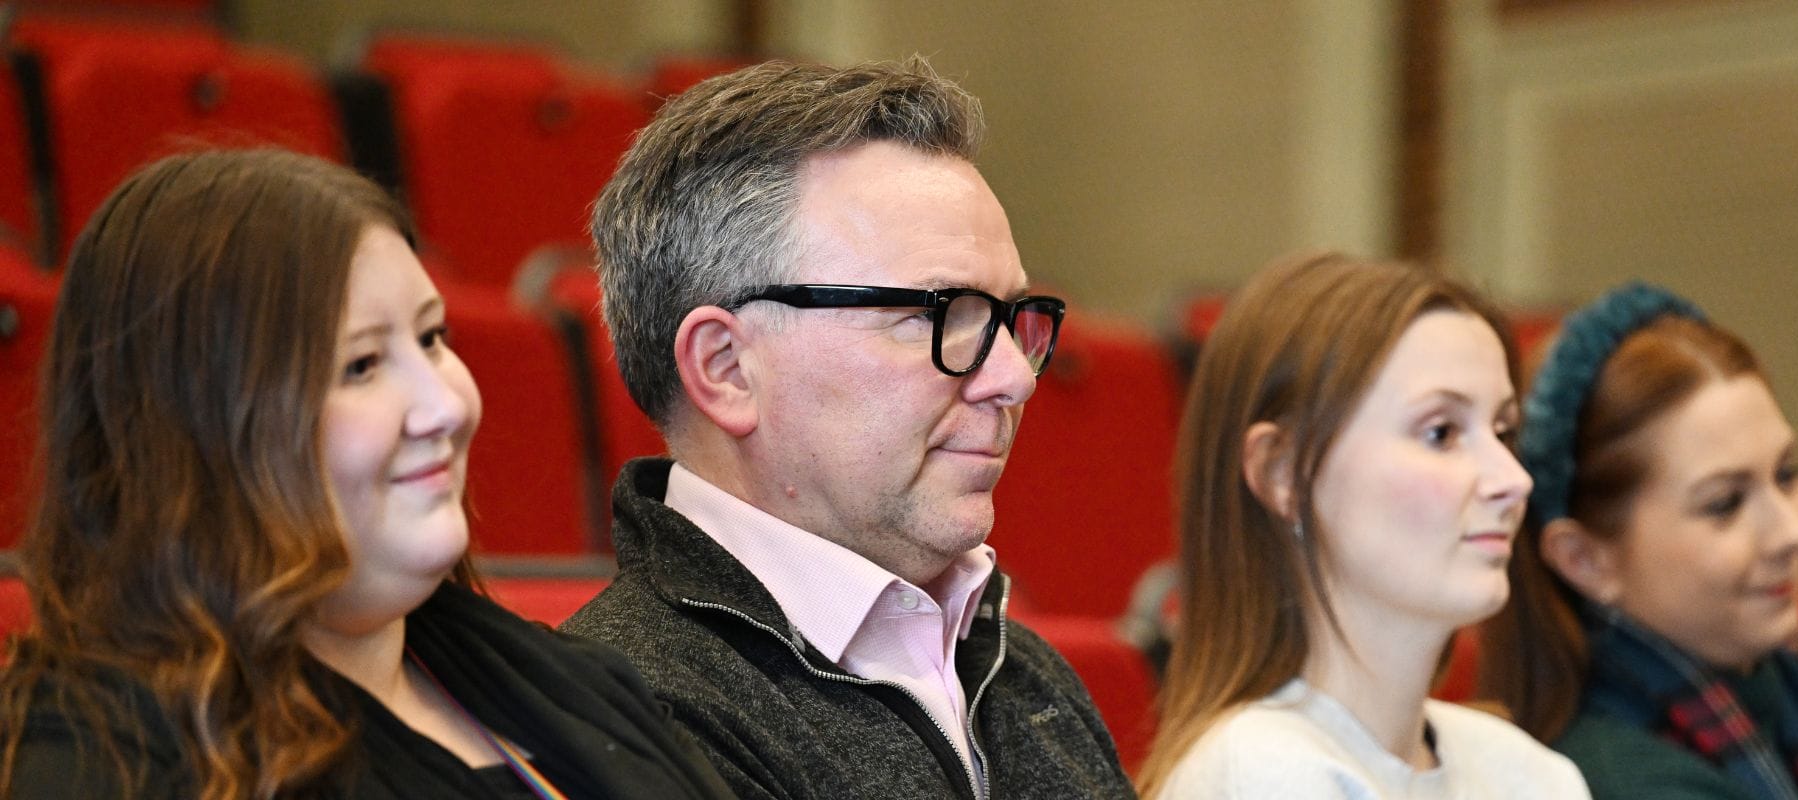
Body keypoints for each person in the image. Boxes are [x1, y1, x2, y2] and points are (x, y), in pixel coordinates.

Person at [0, 149, 733, 799]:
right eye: (362, 365)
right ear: (200, 427)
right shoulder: (97, 758)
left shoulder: (572, 683)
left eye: (431, 337)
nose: (445, 404)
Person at [558, 58, 1134, 799]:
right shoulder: (635, 721)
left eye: (1008, 319)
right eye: (936, 315)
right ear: (728, 369)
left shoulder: (1027, 677)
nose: (1015, 379)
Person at [1137, 253, 1590, 799]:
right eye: (1441, 432)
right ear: (1282, 472)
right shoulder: (1258, 773)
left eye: (1503, 430)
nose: (1512, 479)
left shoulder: (1528, 772)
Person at [1480, 282, 1798, 799]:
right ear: (1586, 560)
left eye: (1787, 475)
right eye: (1724, 504)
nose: (1794, 532)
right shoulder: (1620, 779)